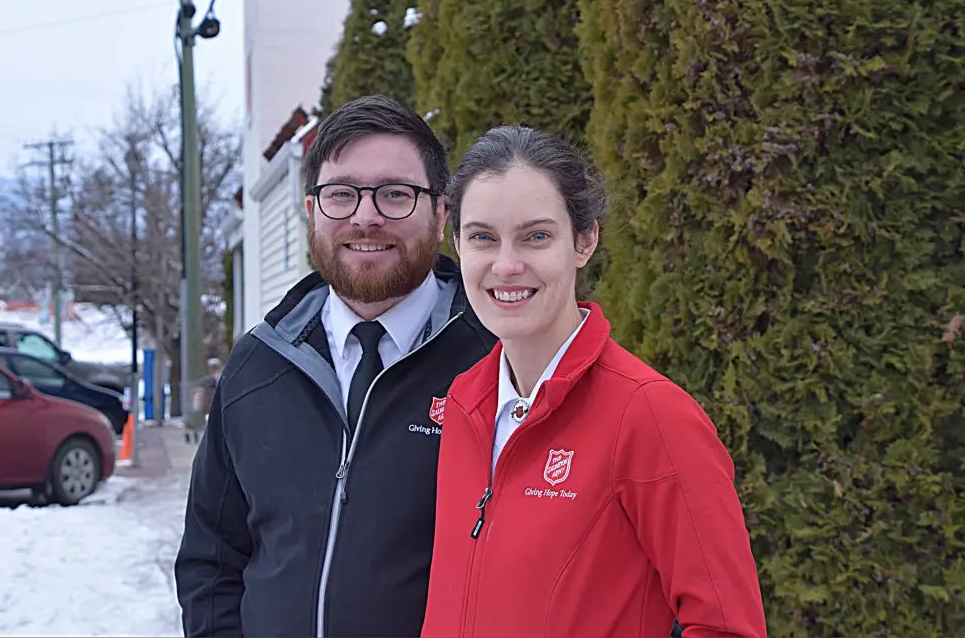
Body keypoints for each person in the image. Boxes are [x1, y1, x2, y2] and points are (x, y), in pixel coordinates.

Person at [420, 126, 767, 638]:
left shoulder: (650, 415)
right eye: (482, 238)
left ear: (584, 241)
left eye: (537, 236)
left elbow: (726, 626)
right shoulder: (463, 404)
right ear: (457, 245)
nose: (507, 265)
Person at [174, 95, 496, 637]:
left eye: (396, 194)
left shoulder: (496, 363)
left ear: (442, 214)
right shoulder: (258, 365)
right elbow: (213, 557)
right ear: (312, 211)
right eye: (342, 194)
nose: (366, 216)